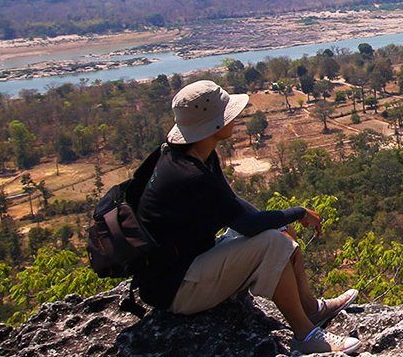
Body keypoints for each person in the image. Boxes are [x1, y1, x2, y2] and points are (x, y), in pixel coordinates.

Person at [134, 80, 361, 355]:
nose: (237, 118)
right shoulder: (190, 176)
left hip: (188, 266)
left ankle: (312, 310)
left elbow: (234, 207)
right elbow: (247, 225)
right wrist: (298, 213)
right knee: (272, 242)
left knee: (279, 234)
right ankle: (305, 335)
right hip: (177, 290)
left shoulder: (193, 156)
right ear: (213, 125)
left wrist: (283, 222)